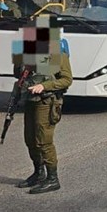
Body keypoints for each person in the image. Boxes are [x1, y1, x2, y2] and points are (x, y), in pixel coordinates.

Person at [14, 20, 73, 194]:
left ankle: (52, 179)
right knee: (30, 140)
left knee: (44, 141)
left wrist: (44, 86)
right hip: (30, 101)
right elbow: (18, 76)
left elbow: (66, 79)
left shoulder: (57, 54)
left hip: (47, 102)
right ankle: (38, 174)